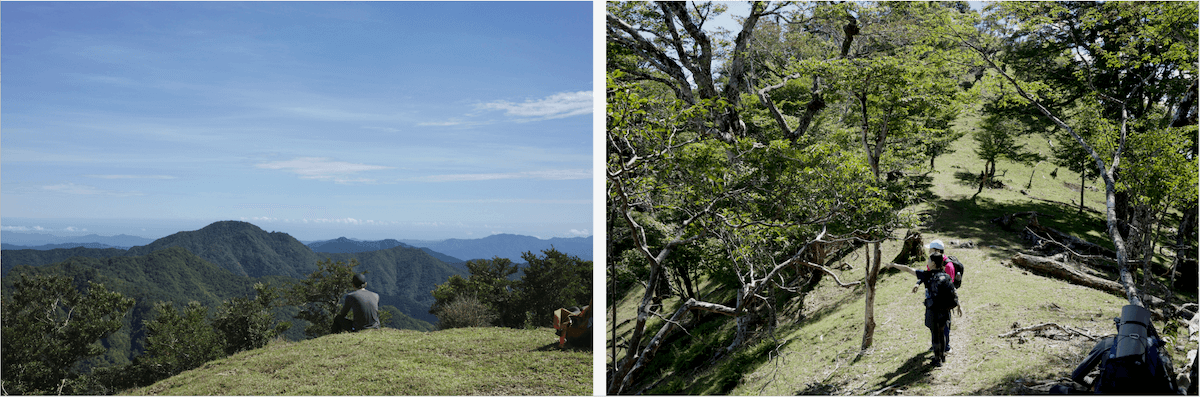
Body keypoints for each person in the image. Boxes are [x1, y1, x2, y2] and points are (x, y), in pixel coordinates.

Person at [915, 240, 958, 353]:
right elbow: (927, 274)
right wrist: (918, 284)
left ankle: (946, 346)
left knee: (944, 323)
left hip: (943, 300)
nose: (928, 251)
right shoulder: (934, 262)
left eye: (931, 249)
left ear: (937, 250)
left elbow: (949, 284)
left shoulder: (948, 266)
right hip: (933, 298)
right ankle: (938, 345)